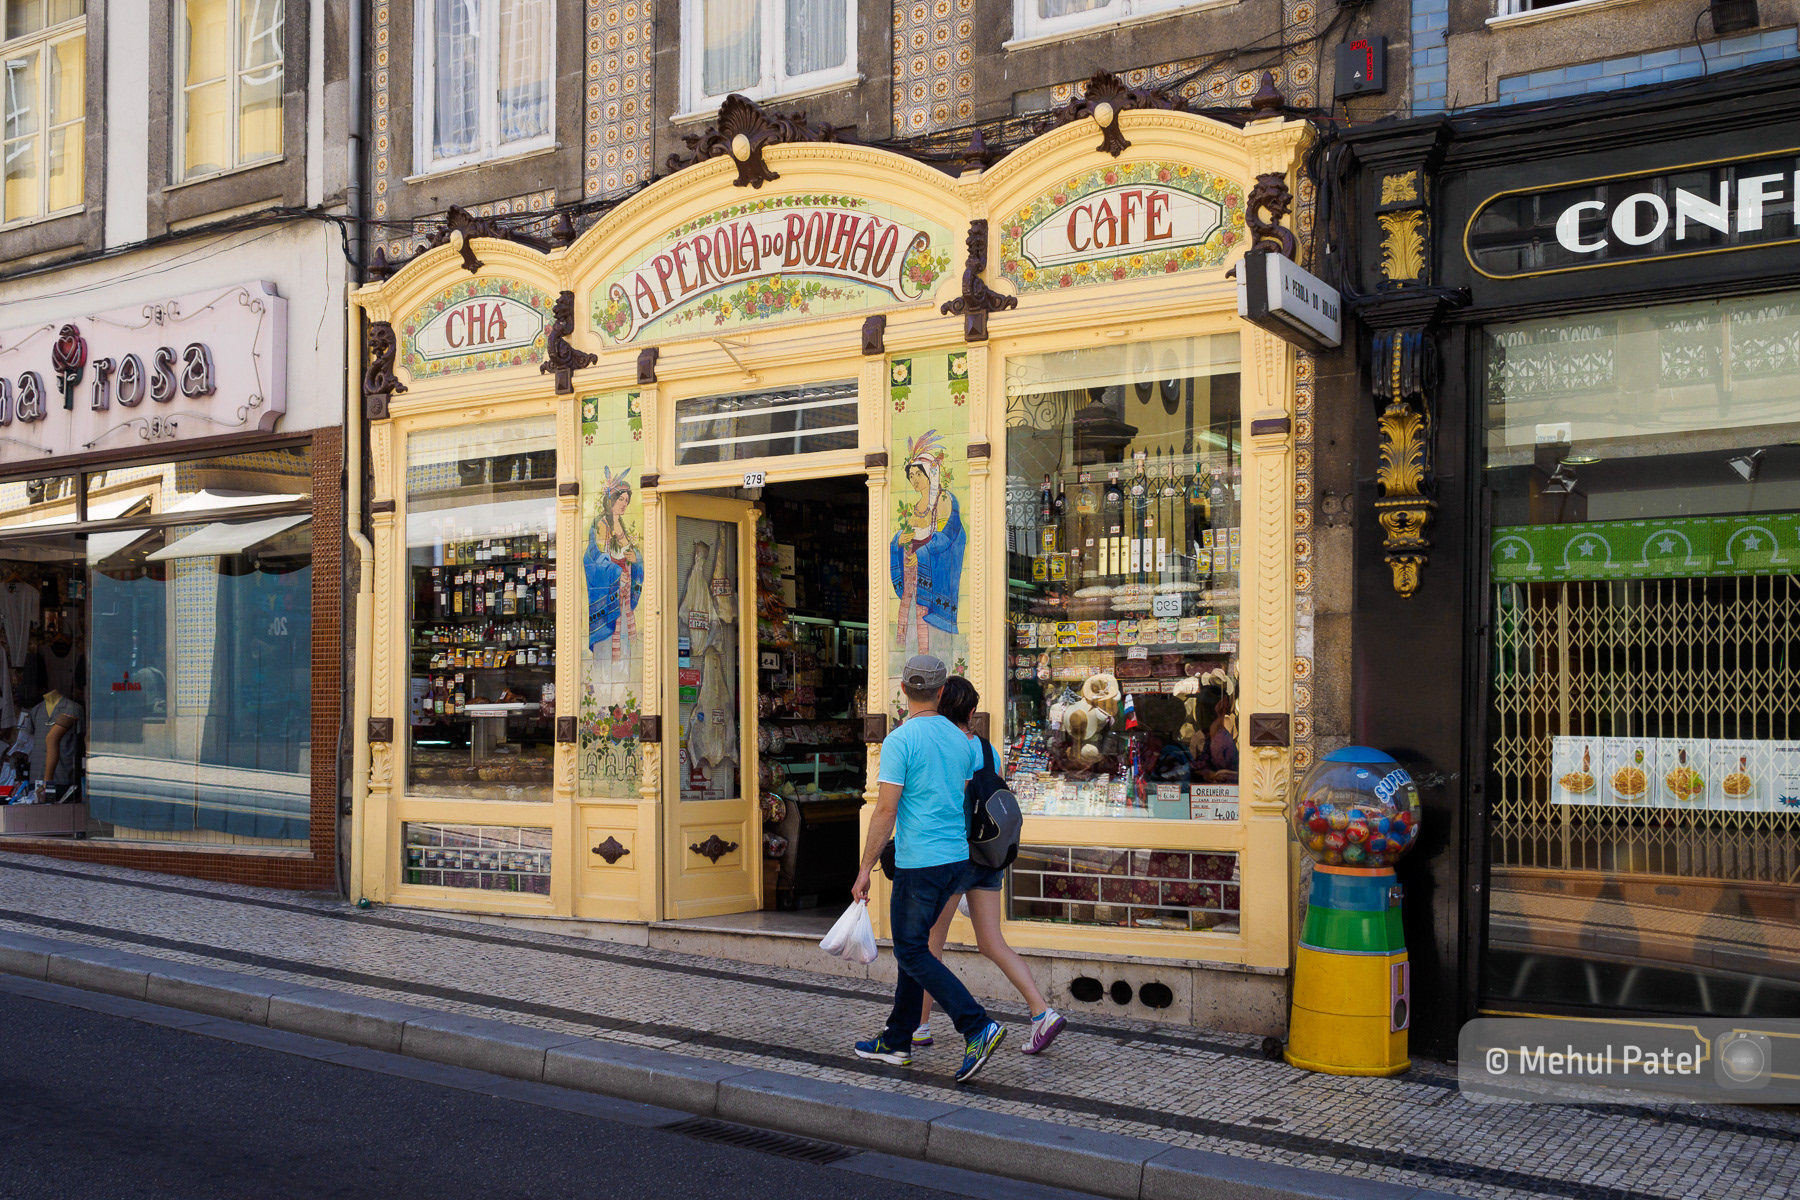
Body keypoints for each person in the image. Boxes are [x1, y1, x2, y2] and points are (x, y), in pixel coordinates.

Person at [852, 654, 1006, 1083]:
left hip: (919, 861)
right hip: (955, 859)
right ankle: (897, 1040)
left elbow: (886, 810)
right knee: (915, 947)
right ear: (940, 692)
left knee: (911, 951)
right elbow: (958, 794)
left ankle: (976, 1026)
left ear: (903, 690)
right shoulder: (962, 741)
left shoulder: (900, 740)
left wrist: (865, 869)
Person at [913, 676, 1065, 1056]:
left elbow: (948, 804)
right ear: (971, 710)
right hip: (989, 855)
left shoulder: (948, 748)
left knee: (929, 945)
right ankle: (1041, 1012)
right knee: (992, 941)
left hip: (956, 856)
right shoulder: (987, 748)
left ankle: (919, 1026)